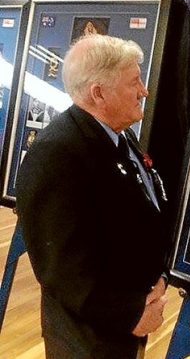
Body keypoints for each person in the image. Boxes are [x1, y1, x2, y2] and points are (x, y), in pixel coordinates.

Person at [16, 34, 170, 358]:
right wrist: (131, 314)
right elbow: (64, 271)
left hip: (124, 322)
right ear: (99, 93)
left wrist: (159, 279)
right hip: (88, 339)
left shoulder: (117, 134)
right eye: (135, 82)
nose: (144, 90)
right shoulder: (55, 155)